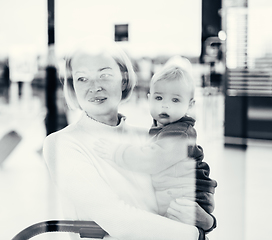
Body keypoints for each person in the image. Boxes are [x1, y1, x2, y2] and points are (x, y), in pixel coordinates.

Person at [43, 36, 215, 240]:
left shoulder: (150, 140)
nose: (94, 86)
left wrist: (208, 221)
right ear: (72, 86)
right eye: (82, 78)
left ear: (123, 79)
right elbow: (116, 219)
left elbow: (185, 193)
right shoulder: (62, 144)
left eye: (104, 75)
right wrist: (196, 235)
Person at [95, 56, 217, 234]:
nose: (165, 106)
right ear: (149, 99)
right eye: (159, 98)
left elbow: (152, 159)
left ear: (190, 105)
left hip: (191, 198)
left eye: (175, 100)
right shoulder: (165, 129)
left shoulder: (180, 133)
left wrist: (117, 152)